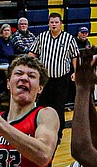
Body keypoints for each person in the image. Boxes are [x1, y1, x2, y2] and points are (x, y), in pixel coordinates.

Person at [29, 12, 79, 141]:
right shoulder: (42, 37)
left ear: (61, 23)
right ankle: (38, 131)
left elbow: (75, 56)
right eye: (52, 22)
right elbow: (32, 53)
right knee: (42, 105)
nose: (54, 24)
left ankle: (58, 133)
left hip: (61, 79)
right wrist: (28, 67)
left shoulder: (68, 38)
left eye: (56, 22)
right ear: (48, 23)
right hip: (45, 79)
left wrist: (76, 71)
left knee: (59, 107)